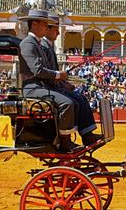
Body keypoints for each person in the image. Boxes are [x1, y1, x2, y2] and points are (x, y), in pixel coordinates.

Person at [17, 9, 77, 150]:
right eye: (44, 24)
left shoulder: (36, 43)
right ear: (35, 24)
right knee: (66, 103)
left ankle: (64, 138)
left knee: (70, 101)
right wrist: (58, 75)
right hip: (33, 88)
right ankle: (64, 142)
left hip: (40, 87)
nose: (46, 27)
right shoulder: (28, 43)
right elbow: (37, 70)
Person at [42, 13, 103, 146]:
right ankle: (67, 138)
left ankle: (87, 134)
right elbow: (47, 73)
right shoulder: (44, 46)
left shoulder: (48, 46)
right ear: (47, 29)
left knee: (81, 98)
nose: (58, 33)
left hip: (54, 86)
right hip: (49, 88)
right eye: (56, 29)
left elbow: (52, 73)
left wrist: (64, 83)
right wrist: (62, 84)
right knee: (73, 101)